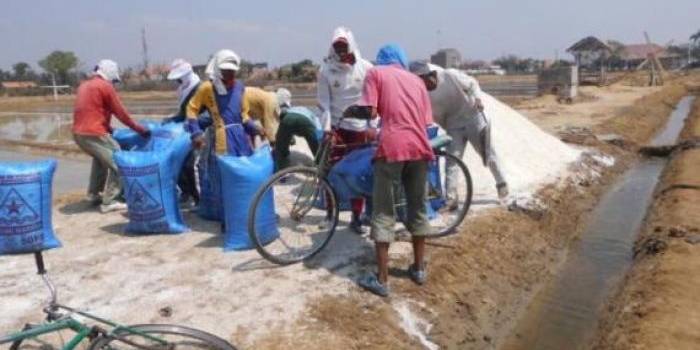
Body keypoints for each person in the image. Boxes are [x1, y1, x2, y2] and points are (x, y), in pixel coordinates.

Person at [357, 44, 434, 297]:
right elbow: (425, 121)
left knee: (383, 211)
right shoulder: (417, 81)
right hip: (420, 148)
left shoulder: (375, 74)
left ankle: (382, 280)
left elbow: (370, 111)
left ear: (380, 60)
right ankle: (419, 269)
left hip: (391, 148)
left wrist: (370, 123)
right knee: (418, 207)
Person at [409, 61, 509, 203]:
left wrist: (478, 99)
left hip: (473, 117)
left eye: (424, 79)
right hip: (453, 125)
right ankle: (451, 198)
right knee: (452, 160)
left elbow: (472, 84)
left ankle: (501, 183)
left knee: (487, 153)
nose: (424, 84)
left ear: (430, 75)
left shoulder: (450, 75)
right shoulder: (423, 95)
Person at [185, 50, 263, 218]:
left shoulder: (240, 87)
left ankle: (248, 211)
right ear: (218, 70)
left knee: (244, 174)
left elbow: (243, 114)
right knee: (224, 178)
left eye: (232, 71)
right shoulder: (207, 88)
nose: (230, 74)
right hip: (222, 139)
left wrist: (253, 127)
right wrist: (196, 133)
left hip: (241, 139)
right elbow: (191, 109)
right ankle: (228, 217)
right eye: (226, 70)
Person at [317, 26, 376, 234]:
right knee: (330, 171)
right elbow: (324, 103)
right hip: (337, 128)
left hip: (360, 130)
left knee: (358, 175)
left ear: (351, 45)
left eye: (344, 46)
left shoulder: (366, 68)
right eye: (337, 47)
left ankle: (356, 217)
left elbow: (373, 101)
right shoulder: (325, 70)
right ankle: (330, 214)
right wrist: (327, 129)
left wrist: (372, 127)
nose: (341, 51)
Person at [72, 59, 150, 213]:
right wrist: (140, 129)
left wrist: (108, 128)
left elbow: (91, 110)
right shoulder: (105, 86)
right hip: (93, 132)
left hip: (78, 133)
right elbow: (120, 112)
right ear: (110, 74)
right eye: (114, 80)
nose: (113, 83)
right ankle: (110, 200)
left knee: (101, 160)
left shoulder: (84, 85)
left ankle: (94, 194)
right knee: (119, 161)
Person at [164, 59, 209, 207]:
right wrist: (173, 119)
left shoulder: (201, 88)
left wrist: (192, 122)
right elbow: (184, 113)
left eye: (179, 78)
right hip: (186, 133)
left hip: (199, 132)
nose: (177, 81)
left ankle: (200, 199)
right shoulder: (184, 89)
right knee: (181, 161)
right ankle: (187, 193)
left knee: (193, 165)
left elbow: (209, 113)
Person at [272, 95, 323, 170]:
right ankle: (321, 167)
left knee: (281, 146)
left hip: (288, 118)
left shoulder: (291, 109)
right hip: (306, 121)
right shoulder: (312, 114)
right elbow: (318, 131)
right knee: (316, 147)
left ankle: (280, 169)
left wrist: (285, 139)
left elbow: (283, 117)